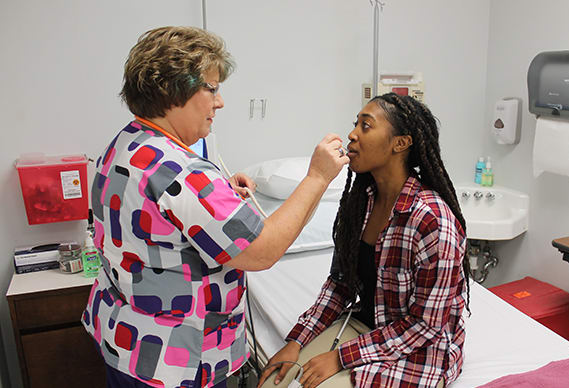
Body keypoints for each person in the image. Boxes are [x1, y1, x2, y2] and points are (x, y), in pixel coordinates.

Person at [81, 26, 348, 388]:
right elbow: (263, 251)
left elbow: (160, 217)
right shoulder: (185, 173)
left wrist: (219, 195)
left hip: (126, 344)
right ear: (171, 90)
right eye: (212, 88)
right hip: (174, 366)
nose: (219, 102)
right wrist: (317, 177)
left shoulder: (124, 145)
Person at [258, 93, 470, 388]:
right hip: (366, 327)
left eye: (366, 126)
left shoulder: (432, 221)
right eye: (355, 124)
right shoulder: (360, 204)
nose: (352, 135)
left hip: (419, 349)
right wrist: (297, 340)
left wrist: (341, 357)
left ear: (400, 143)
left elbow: (426, 325)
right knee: (273, 383)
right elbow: (340, 285)